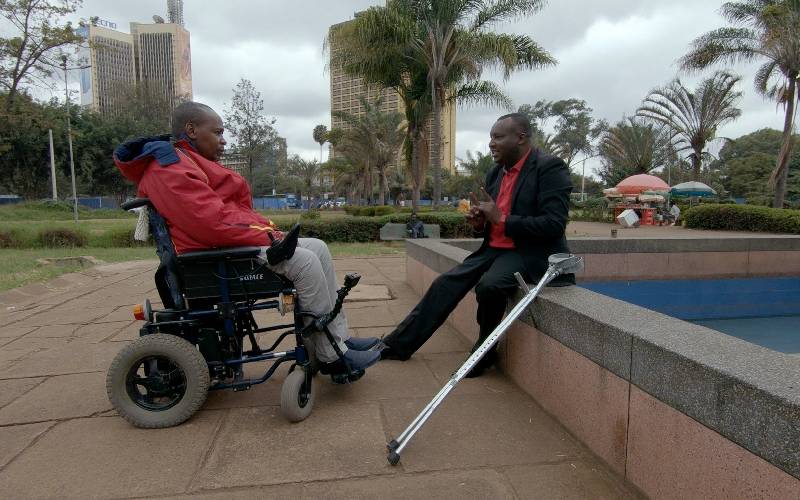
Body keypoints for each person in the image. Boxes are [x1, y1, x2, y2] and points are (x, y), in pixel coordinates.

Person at [113, 101, 381, 374]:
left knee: (318, 248)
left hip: (224, 247)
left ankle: (339, 340)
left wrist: (271, 235)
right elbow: (212, 224)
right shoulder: (169, 168)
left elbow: (226, 215)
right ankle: (331, 357)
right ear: (191, 130)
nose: (223, 141)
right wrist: (270, 237)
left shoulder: (187, 161)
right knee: (306, 262)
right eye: (217, 133)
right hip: (213, 258)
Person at [378, 113, 575, 377]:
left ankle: (484, 351)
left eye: (498, 137)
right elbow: (492, 217)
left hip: (529, 252)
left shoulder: (549, 168)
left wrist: (501, 219)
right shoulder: (496, 172)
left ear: (521, 138)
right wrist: (480, 222)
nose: (491, 144)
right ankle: (397, 346)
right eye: (491, 137)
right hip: (494, 249)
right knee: (444, 284)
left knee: (490, 286)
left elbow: (553, 224)